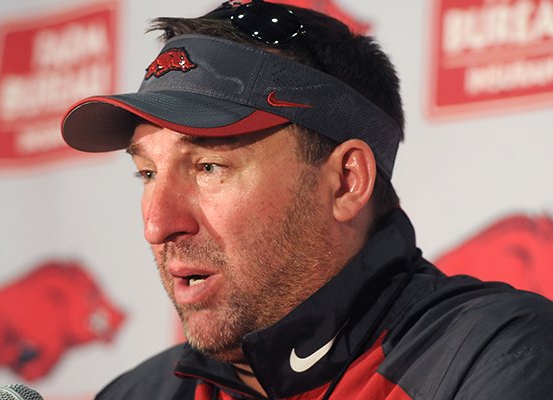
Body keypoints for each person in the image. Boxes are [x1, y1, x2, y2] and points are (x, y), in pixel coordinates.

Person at [61, 1, 553, 399]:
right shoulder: (137, 393)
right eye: (146, 172)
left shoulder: (501, 358)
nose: (157, 224)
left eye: (209, 167)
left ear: (345, 181)